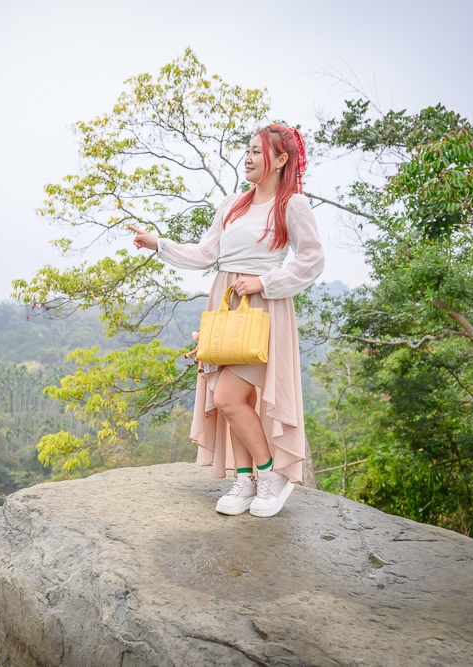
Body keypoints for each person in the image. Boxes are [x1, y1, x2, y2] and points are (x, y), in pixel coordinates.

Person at [129, 124, 324, 517]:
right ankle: (247, 479)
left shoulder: (292, 205)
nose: (247, 158)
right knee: (237, 400)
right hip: (225, 305)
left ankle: (273, 476)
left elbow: (312, 260)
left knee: (228, 397)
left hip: (264, 307)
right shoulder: (232, 204)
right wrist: (157, 243)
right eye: (247, 151)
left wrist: (265, 281)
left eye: (256, 152)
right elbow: (205, 254)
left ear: (281, 159)